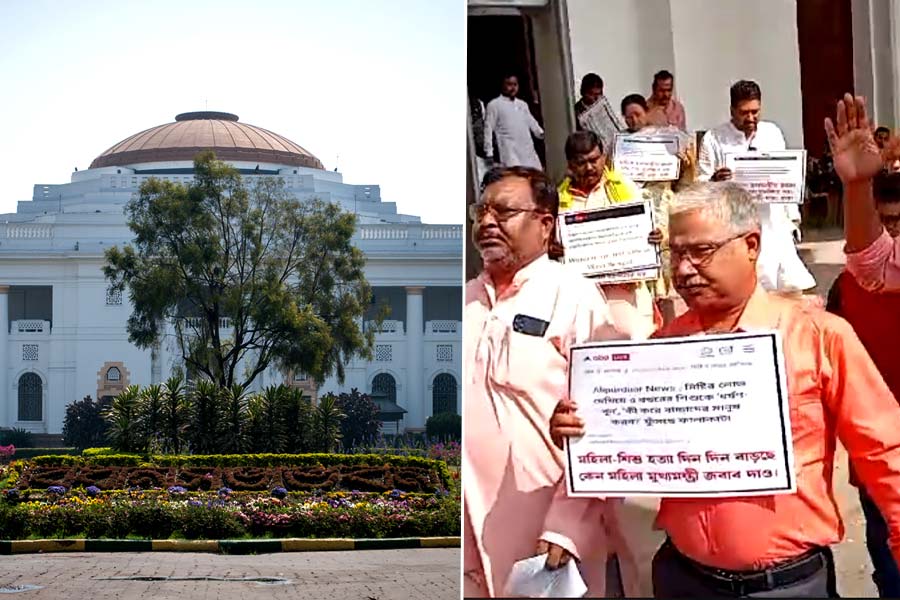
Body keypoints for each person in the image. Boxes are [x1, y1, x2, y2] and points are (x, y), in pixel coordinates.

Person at [550, 180, 900, 598]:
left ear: (751, 245)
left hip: (785, 586)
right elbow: (619, 453)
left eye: (700, 252)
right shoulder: (661, 349)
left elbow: (885, 452)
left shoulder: (819, 336)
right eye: (675, 253)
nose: (682, 269)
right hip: (683, 579)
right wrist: (581, 436)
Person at [463, 166, 642, 598]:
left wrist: (567, 526)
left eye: (504, 212)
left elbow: (605, 422)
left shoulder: (574, 296)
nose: (487, 222)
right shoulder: (464, 297)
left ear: (545, 225)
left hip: (547, 539)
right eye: (480, 212)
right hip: (467, 540)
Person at [826, 172, 900, 598]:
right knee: (890, 572)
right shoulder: (848, 287)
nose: (892, 234)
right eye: (884, 223)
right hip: (877, 459)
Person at [698, 80, 814, 293]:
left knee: (786, 288)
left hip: (773, 224)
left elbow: (785, 176)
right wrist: (715, 181)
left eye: (755, 111)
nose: (751, 118)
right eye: (744, 112)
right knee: (747, 288)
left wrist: (792, 219)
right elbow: (700, 185)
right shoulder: (714, 139)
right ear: (732, 110)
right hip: (735, 226)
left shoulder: (772, 133)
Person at [557, 131, 661, 343]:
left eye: (594, 160)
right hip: (581, 299)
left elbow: (654, 228)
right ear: (570, 165)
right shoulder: (558, 200)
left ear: (604, 157)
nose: (589, 168)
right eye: (581, 162)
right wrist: (554, 249)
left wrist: (656, 235)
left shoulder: (625, 188)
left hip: (626, 294)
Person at [483, 74, 544, 169]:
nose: (513, 88)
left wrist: (541, 133)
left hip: (528, 151)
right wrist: (489, 152)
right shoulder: (494, 105)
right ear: (503, 85)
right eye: (509, 84)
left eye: (515, 84)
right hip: (510, 153)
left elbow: (531, 122)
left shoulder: (522, 104)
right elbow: (488, 130)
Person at [575, 72, 627, 153]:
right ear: (583, 92)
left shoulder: (603, 104)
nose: (595, 98)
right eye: (591, 94)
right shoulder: (575, 112)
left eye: (598, 94)